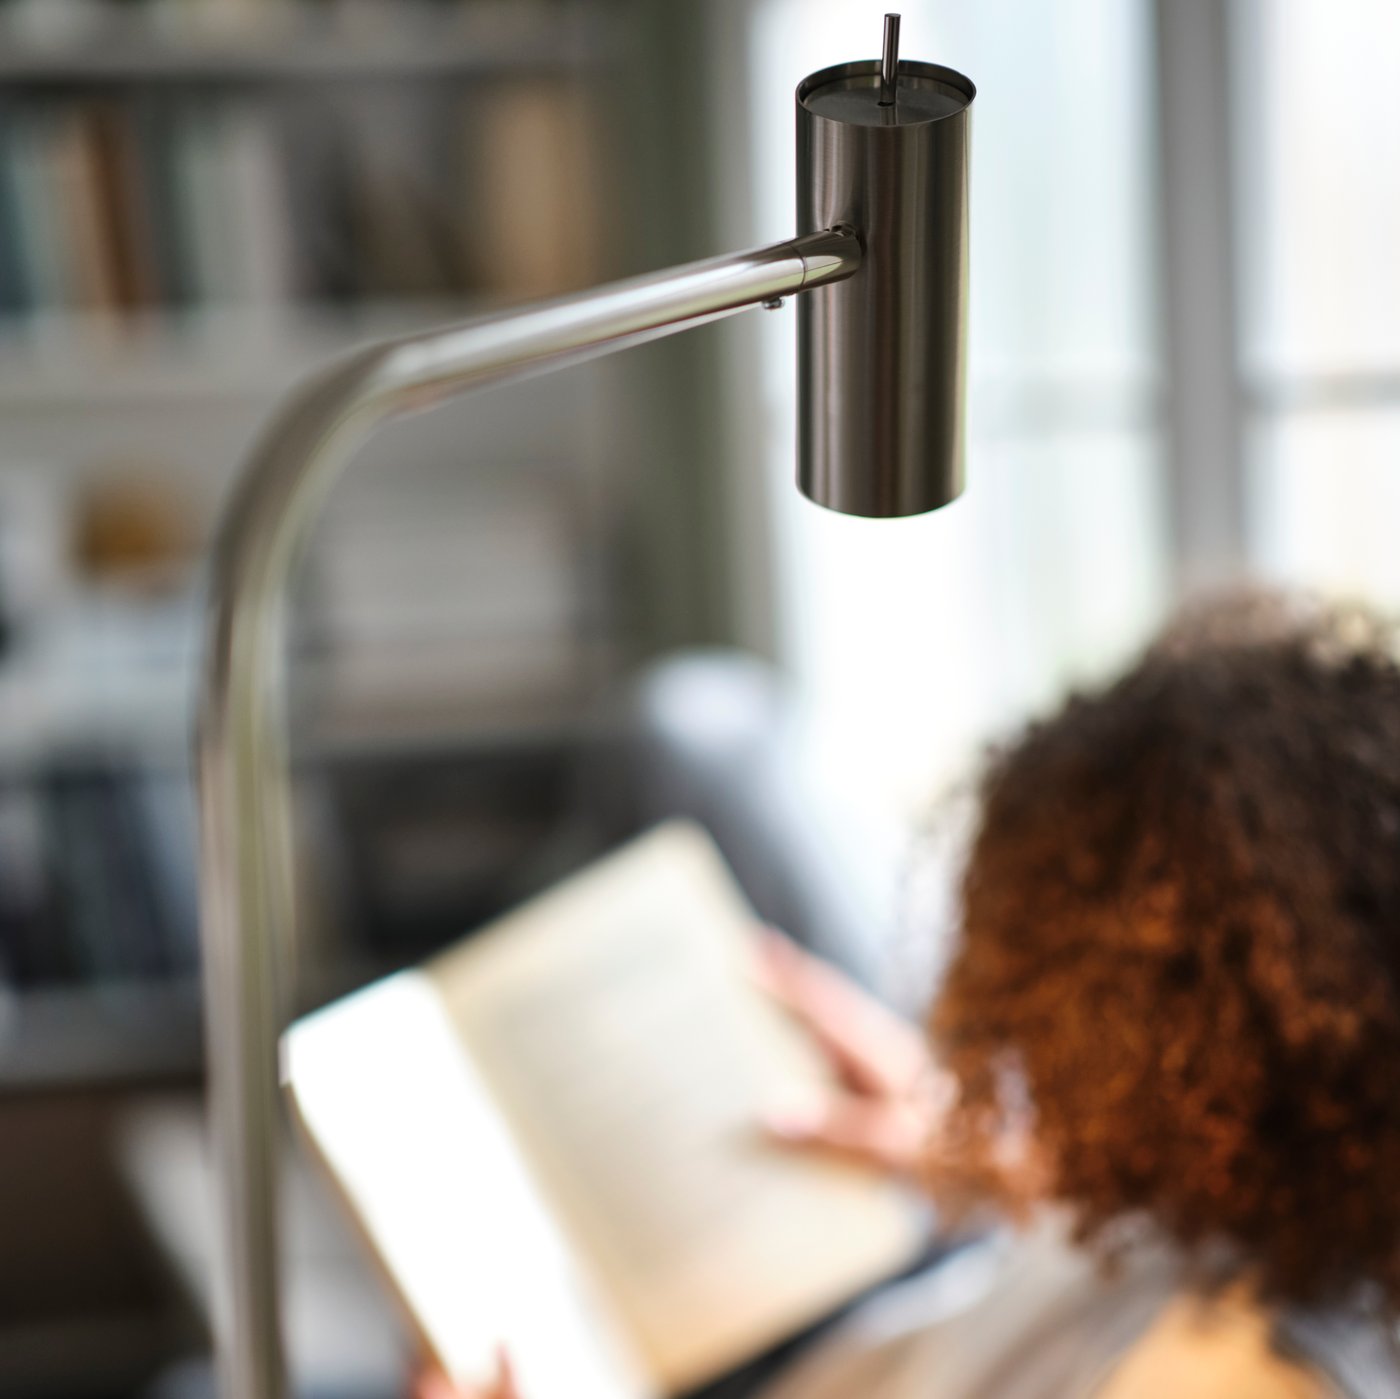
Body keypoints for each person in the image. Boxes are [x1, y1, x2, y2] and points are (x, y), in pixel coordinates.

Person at [424, 593, 1400, 1398]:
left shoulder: (1225, 1376)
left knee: (690, 739)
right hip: (936, 1269)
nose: (1015, 1051)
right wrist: (989, 1159)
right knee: (696, 739)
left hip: (773, 1349)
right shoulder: (1282, 1215)